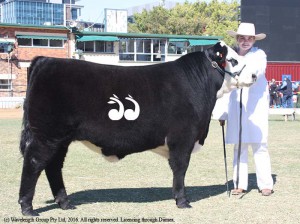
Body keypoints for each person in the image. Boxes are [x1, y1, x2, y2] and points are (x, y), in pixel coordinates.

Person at [213, 23, 274, 196]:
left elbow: (258, 71)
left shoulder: (259, 55)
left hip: (256, 108)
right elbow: (225, 85)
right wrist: (222, 112)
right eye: (242, 38)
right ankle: (239, 184)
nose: (245, 41)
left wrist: (248, 75)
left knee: (260, 146)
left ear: (254, 40)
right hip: (236, 107)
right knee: (239, 146)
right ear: (237, 39)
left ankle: (265, 184)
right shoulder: (230, 56)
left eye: (249, 38)